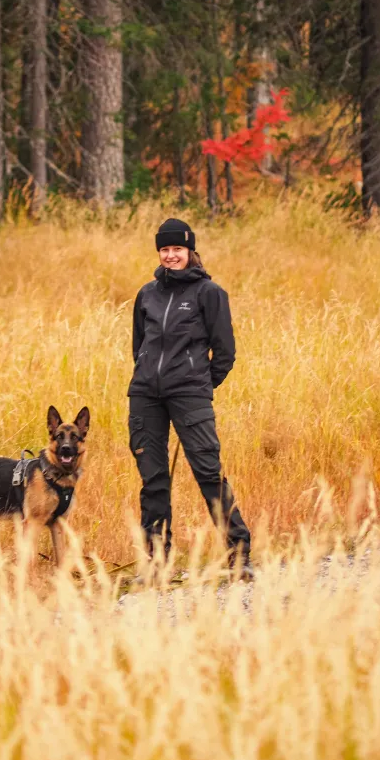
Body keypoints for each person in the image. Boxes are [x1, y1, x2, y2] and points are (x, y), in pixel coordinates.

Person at [128, 217, 253, 576]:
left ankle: (240, 555)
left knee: (208, 473)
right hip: (145, 397)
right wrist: (146, 374)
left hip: (190, 396)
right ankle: (156, 564)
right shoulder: (147, 294)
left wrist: (199, 384)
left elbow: (224, 351)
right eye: (165, 249)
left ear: (190, 251)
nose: (170, 256)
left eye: (177, 249)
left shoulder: (209, 293)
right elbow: (139, 345)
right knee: (153, 481)